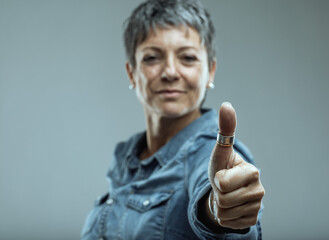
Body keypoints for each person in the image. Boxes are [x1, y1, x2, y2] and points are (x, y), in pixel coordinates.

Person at [81, 0, 265, 239]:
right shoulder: (125, 158)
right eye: (152, 58)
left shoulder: (209, 152)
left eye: (187, 58)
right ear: (132, 73)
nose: (170, 72)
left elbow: (214, 196)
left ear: (210, 71)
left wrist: (220, 208)